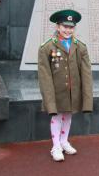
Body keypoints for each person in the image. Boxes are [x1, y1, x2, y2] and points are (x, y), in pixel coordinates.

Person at [38, 9, 93, 162]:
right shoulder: (47, 47)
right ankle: (55, 146)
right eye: (65, 26)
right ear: (57, 26)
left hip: (72, 91)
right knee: (56, 117)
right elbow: (45, 75)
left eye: (71, 27)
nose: (68, 30)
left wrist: (86, 94)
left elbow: (86, 73)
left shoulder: (80, 47)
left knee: (68, 116)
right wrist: (48, 97)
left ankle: (64, 141)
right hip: (56, 91)